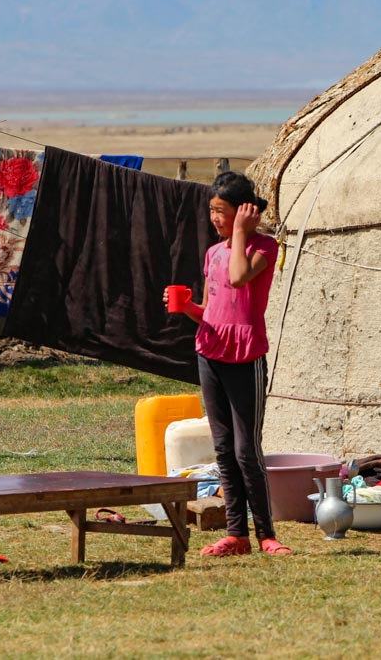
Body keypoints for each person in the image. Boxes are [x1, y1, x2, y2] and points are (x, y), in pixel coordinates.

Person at [163, 172, 289, 556]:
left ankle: (266, 534)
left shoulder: (264, 247)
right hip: (209, 353)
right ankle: (237, 534)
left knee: (245, 449)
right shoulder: (212, 253)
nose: (215, 218)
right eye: (212, 211)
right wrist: (188, 308)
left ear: (242, 212)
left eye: (222, 211)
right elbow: (212, 309)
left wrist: (239, 232)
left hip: (245, 356)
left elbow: (238, 279)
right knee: (222, 448)